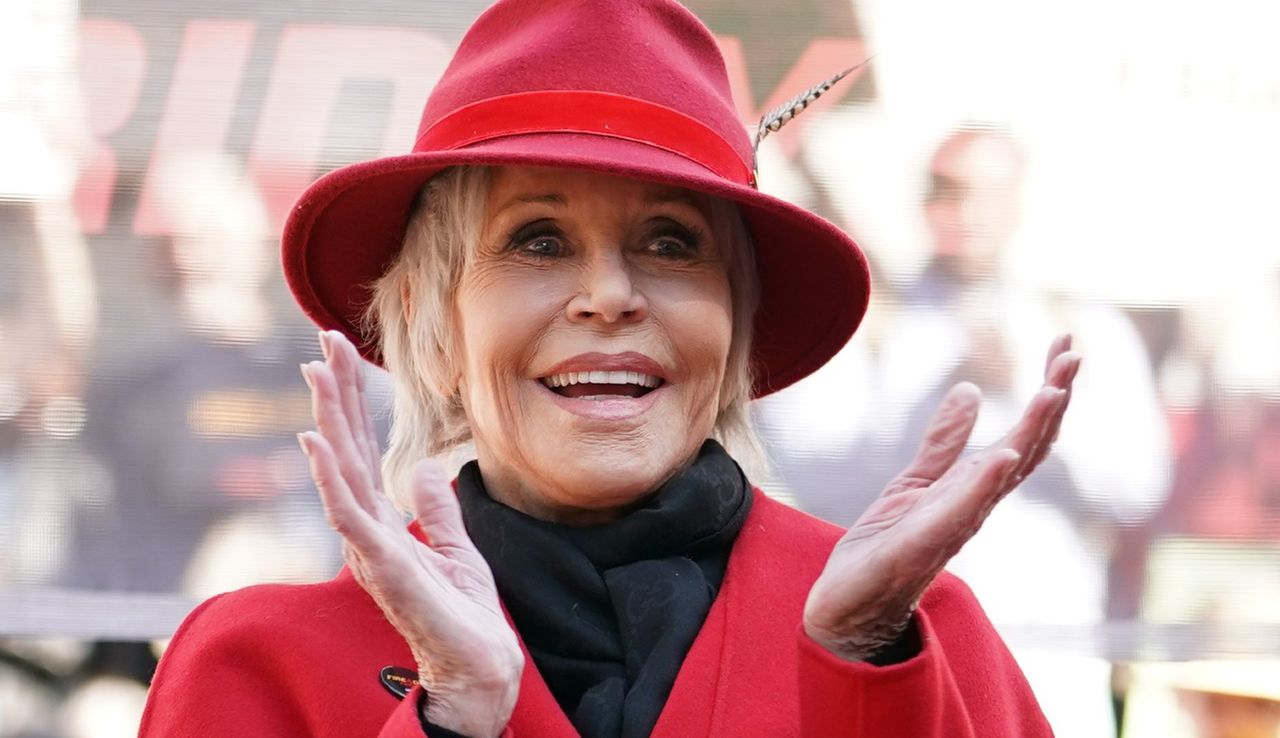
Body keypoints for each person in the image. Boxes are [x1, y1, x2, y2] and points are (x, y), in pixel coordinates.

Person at [138, 2, 1079, 736]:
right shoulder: (257, 663)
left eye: (671, 242)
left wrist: (861, 679)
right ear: (431, 325)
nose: (609, 295)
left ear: (739, 323)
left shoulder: (914, 634)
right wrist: (455, 714)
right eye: (537, 240)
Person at [755, 126, 1170, 737]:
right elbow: (814, 485)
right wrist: (928, 423)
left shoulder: (1085, 327)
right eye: (950, 192)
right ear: (926, 203)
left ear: (1018, 203)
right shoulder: (866, 322)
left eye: (987, 195)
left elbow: (1139, 488)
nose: (967, 213)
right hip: (900, 643)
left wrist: (1035, 414)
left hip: (1051, 656)